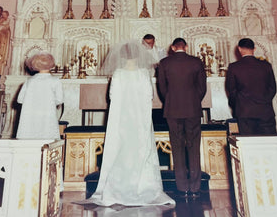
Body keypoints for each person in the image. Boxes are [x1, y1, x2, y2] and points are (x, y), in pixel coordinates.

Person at [88, 40, 175, 207]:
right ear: (139, 55)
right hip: (139, 117)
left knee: (121, 148)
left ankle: (118, 187)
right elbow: (149, 96)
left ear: (121, 56)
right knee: (141, 147)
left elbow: (112, 96)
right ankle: (144, 186)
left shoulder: (118, 74)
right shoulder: (143, 73)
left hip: (121, 118)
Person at [157, 37, 207, 199]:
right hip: (192, 108)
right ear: (186, 46)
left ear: (172, 47)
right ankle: (195, 186)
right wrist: (193, 100)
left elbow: (162, 88)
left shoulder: (164, 63)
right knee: (193, 146)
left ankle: (182, 186)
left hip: (173, 109)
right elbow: (202, 87)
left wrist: (171, 100)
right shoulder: (196, 62)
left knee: (177, 147)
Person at [225, 38, 277, 136]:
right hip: (265, 111)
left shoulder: (234, 67)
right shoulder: (266, 66)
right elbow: (272, 88)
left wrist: (238, 106)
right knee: (269, 144)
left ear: (239, 49)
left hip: (245, 112)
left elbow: (231, 91)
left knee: (249, 145)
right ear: (254, 48)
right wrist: (265, 101)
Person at [16, 52, 63, 140]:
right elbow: (59, 100)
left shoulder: (29, 81)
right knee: (48, 138)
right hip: (47, 115)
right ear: (52, 65)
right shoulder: (55, 81)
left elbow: (20, 100)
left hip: (30, 116)